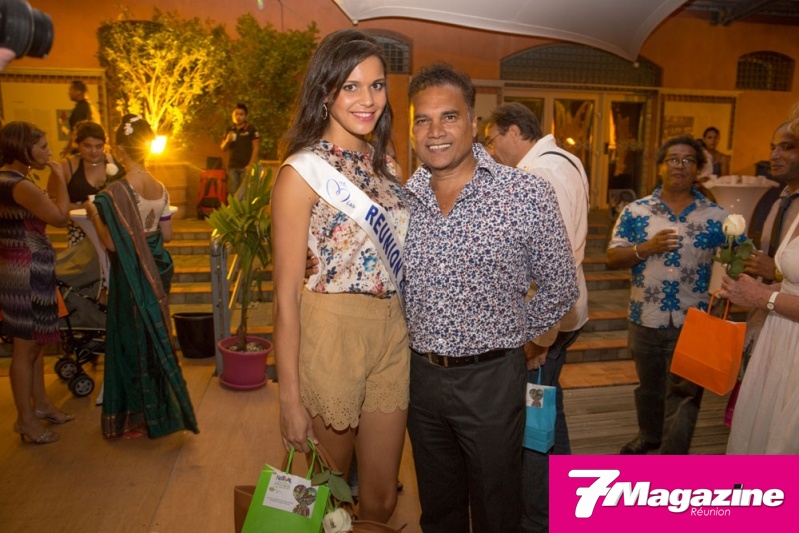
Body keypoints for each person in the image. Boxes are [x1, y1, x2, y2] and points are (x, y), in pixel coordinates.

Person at [404, 63, 577, 532]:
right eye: (423, 120)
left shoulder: (523, 193)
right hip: (420, 379)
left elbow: (562, 285)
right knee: (438, 510)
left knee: (496, 508)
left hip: (492, 381)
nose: (435, 131)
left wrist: (518, 340)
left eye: (449, 116)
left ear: (473, 122)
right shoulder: (402, 201)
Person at [271, 30, 409, 523]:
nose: (367, 99)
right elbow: (285, 296)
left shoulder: (387, 165)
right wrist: (289, 398)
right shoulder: (301, 172)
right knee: (326, 503)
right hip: (331, 331)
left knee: (382, 499)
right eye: (351, 86)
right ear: (325, 91)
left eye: (377, 85)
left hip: (393, 332)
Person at [483, 102, 589, 533]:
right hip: (563, 314)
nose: (490, 151)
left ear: (513, 132)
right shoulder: (566, 160)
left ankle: (537, 519)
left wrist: (539, 337)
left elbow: (549, 265)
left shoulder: (538, 174)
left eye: (491, 140)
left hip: (545, 321)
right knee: (547, 415)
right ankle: (561, 507)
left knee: (533, 422)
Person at [608, 135, 727, 455]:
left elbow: (739, 257)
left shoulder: (716, 217)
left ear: (698, 169)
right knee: (648, 386)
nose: (680, 165)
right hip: (645, 314)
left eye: (688, 160)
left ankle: (672, 459)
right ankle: (649, 435)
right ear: (660, 166)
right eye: (673, 159)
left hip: (695, 318)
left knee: (686, 392)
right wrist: (647, 247)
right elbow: (613, 257)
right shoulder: (636, 211)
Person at [82, 114, 199, 440]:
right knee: (152, 339)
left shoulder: (116, 192)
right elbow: (167, 235)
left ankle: (137, 418)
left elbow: (110, 244)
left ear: (120, 150)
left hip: (132, 273)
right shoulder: (160, 187)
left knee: (131, 342)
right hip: (156, 268)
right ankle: (158, 414)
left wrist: (93, 214)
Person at [721, 119, 799, 453]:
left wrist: (765, 291)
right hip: (778, 333)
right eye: (773, 147)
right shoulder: (781, 200)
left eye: (787, 147)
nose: (775, 154)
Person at [0, 121, 72, 444]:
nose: (49, 151)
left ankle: (41, 404)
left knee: (36, 344)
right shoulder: (18, 184)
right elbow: (60, 218)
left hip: (22, 266)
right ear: (22, 149)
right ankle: (26, 420)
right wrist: (60, 177)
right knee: (25, 348)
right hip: (25, 269)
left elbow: (47, 208)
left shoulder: (12, 179)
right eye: (42, 146)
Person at [48, 121, 124, 247]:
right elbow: (51, 200)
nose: (94, 151)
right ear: (78, 144)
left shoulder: (113, 162)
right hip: (80, 231)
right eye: (87, 146)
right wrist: (78, 208)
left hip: (110, 232)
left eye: (99, 146)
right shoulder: (66, 166)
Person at [220, 103, 260, 199]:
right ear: (232, 116)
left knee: (244, 195)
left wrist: (250, 164)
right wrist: (227, 140)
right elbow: (223, 148)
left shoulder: (251, 129)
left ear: (246, 116)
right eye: (236, 114)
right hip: (232, 167)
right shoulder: (229, 130)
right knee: (234, 195)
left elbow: (256, 148)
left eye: (241, 114)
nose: (238, 117)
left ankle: (243, 210)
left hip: (245, 167)